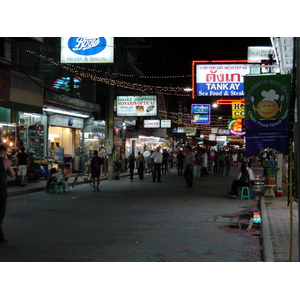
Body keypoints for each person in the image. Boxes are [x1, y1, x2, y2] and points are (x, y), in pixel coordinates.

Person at [0, 145, 16, 246]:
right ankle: (1, 239)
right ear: (2, 152)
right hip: (1, 190)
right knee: (0, 213)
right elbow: (12, 174)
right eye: (5, 153)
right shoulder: (4, 161)